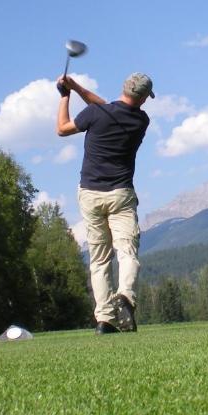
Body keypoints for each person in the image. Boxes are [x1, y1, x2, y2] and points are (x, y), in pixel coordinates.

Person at [56, 71, 154, 334]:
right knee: (127, 252)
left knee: (99, 260)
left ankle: (105, 320)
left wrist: (65, 96)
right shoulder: (141, 120)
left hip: (90, 194)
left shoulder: (96, 114)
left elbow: (62, 129)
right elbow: (105, 108)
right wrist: (75, 87)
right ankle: (125, 297)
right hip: (120, 194)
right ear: (143, 98)